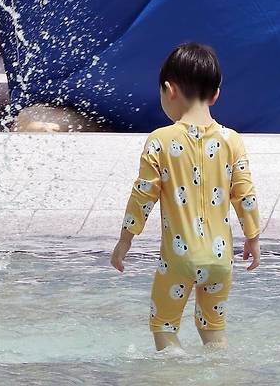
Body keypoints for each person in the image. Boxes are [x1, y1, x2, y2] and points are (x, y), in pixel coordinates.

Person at [109, 43, 261, 351]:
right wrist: (253, 239)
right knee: (213, 330)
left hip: (178, 261)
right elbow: (245, 193)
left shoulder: (160, 141)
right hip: (221, 261)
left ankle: (175, 375)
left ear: (169, 89)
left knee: (164, 326)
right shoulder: (232, 140)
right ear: (215, 94)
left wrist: (125, 241)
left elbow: (143, 196)